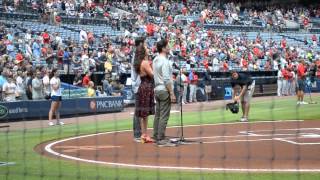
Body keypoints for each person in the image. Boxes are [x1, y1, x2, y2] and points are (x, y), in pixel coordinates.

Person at [153, 39, 176, 147]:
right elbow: (166, 79)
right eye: (167, 45)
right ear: (163, 48)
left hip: (157, 89)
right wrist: (171, 92)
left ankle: (156, 135)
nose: (169, 47)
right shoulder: (165, 61)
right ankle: (161, 138)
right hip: (164, 89)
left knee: (158, 115)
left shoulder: (155, 59)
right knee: (164, 116)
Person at [134, 39, 155, 143]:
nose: (148, 49)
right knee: (145, 114)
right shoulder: (145, 62)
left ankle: (144, 134)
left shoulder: (140, 62)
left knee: (144, 114)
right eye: (146, 48)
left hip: (143, 87)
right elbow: (152, 75)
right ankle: (144, 134)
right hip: (146, 87)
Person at [131, 37, 144, 142]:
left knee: (140, 110)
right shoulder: (137, 56)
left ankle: (139, 134)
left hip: (138, 85)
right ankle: (137, 135)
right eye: (144, 43)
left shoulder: (137, 55)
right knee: (138, 111)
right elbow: (138, 72)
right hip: (138, 85)